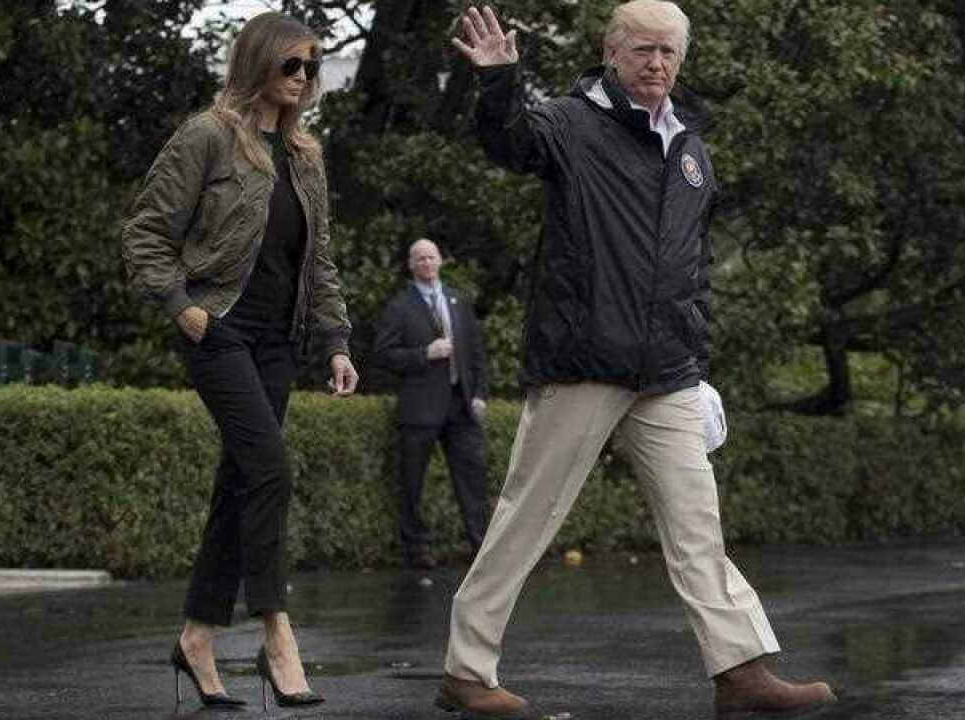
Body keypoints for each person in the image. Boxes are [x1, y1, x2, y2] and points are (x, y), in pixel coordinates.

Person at [438, 4, 834, 718]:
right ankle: (466, 671)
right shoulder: (570, 123)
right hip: (584, 360)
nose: (657, 63)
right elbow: (509, 142)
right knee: (528, 517)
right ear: (612, 52)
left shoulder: (691, 149)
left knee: (697, 523)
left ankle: (740, 669)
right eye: (644, 50)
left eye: (669, 52)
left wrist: (697, 359)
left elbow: (692, 268)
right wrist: (499, 80)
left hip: (669, 372)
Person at [121, 12, 358, 711]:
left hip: (277, 343)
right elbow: (146, 233)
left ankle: (196, 638)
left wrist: (336, 341)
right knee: (270, 469)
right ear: (258, 62)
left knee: (241, 482)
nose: (304, 77)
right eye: (292, 64)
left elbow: (319, 261)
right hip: (218, 330)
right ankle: (276, 634)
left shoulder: (305, 155)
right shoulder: (207, 136)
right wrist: (182, 307)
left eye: (312, 66)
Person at [374, 238, 492, 569]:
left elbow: (477, 354)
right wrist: (424, 353)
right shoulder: (399, 307)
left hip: (460, 405)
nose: (426, 263)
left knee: (473, 479)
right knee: (412, 483)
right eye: (420, 258)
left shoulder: (458, 301)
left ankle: (483, 547)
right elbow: (383, 354)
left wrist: (480, 394)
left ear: (441, 260)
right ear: (411, 266)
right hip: (420, 407)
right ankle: (417, 550)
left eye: (431, 257)